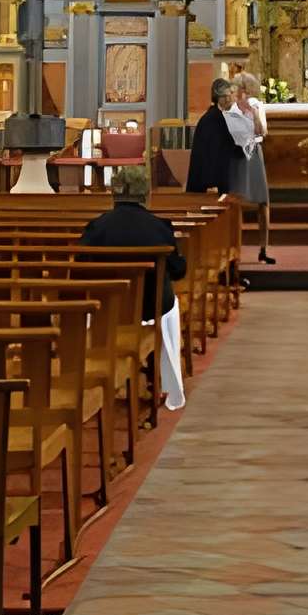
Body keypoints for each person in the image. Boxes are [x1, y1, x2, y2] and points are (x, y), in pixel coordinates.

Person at [80, 161, 189, 410]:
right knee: (171, 305)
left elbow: (81, 265)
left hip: (107, 308)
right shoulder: (159, 227)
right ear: (146, 194)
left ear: (113, 193)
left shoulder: (97, 227)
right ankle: (163, 380)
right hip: (152, 307)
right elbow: (178, 270)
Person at [226, 70, 274, 264]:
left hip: (253, 153)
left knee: (262, 201)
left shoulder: (257, 105)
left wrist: (252, 112)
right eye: (239, 87)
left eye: (245, 88)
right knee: (233, 203)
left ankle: (263, 248)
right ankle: (231, 251)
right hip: (235, 155)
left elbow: (263, 131)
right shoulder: (228, 108)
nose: (242, 91)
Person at [185, 77, 240, 193]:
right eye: (224, 96)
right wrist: (211, 182)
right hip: (213, 181)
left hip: (226, 173)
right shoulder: (211, 120)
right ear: (216, 98)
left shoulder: (229, 115)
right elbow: (208, 154)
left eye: (229, 95)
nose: (228, 99)